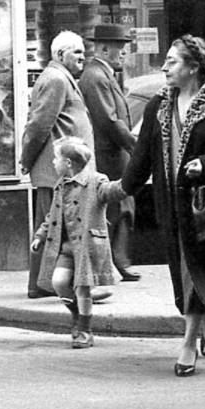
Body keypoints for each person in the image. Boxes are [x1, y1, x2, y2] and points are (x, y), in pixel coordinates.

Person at [121, 35, 205, 377]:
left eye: (173, 61)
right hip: (172, 207)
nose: (165, 67)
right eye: (166, 61)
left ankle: (187, 344)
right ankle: (204, 324)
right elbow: (141, 158)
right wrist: (118, 189)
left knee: (199, 271)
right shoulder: (159, 106)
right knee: (183, 275)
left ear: (194, 67)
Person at [30, 137, 127, 348]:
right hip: (65, 247)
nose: (53, 163)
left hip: (87, 247)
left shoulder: (96, 181)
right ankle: (77, 314)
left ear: (68, 163)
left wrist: (130, 180)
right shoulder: (61, 186)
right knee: (59, 282)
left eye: (56, 159)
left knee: (82, 288)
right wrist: (40, 236)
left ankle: (84, 330)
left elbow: (113, 191)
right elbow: (52, 216)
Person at [18, 29, 93, 299]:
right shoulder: (56, 79)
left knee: (54, 228)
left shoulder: (61, 78)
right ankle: (41, 284)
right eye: (77, 52)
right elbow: (39, 124)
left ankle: (43, 284)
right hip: (57, 170)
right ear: (60, 55)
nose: (83, 57)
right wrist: (26, 159)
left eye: (83, 52)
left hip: (63, 169)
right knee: (53, 228)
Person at [79, 22, 140, 280]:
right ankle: (116, 261)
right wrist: (136, 147)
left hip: (114, 154)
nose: (124, 53)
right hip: (109, 155)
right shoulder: (96, 77)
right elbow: (109, 120)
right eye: (120, 48)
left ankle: (117, 260)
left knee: (122, 205)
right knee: (118, 207)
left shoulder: (102, 75)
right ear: (104, 49)